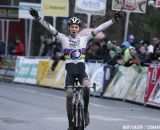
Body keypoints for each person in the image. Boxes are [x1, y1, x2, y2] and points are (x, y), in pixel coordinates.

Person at [29, 8, 124, 130]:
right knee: (69, 95)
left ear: (79, 29)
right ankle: (70, 123)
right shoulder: (63, 38)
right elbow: (50, 28)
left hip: (81, 70)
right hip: (70, 72)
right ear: (69, 28)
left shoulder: (85, 38)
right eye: (72, 27)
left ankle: (85, 111)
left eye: (76, 27)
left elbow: (100, 28)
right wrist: (38, 17)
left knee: (86, 87)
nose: (74, 29)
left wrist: (114, 19)